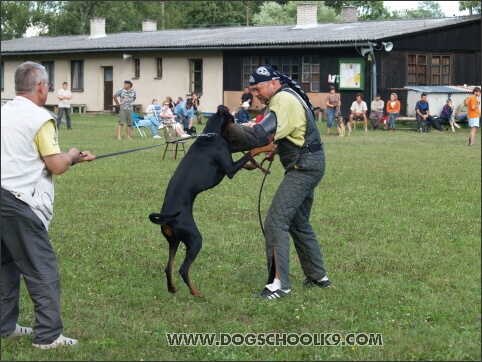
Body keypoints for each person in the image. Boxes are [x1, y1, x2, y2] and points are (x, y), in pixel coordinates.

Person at [1, 61, 95, 349]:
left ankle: (5, 327)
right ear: (41, 86)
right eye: (48, 86)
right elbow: (55, 165)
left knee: (5, 266)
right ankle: (48, 336)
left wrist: (69, 158)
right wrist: (71, 154)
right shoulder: (41, 118)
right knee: (42, 270)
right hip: (20, 202)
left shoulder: (3, 111)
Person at [244, 66, 330, 299]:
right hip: (310, 163)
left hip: (303, 167)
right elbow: (292, 130)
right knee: (298, 222)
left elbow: (263, 133)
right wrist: (276, 150)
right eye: (252, 90)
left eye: (258, 88)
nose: (256, 93)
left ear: (273, 83)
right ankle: (318, 276)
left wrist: (242, 142)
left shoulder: (281, 99)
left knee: (275, 222)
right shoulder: (285, 97)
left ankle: (278, 286)